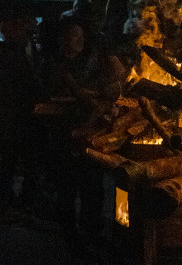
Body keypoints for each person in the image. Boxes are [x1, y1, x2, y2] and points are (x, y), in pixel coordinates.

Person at [40, 19, 125, 250]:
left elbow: (106, 93)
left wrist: (96, 101)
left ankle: (93, 234)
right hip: (62, 135)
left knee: (92, 189)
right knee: (66, 189)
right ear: (60, 39)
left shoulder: (93, 64)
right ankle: (71, 238)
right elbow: (50, 94)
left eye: (78, 36)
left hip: (89, 135)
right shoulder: (52, 64)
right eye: (69, 36)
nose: (74, 41)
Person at [0, 13, 43, 217]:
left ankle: (26, 201)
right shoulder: (6, 52)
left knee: (29, 162)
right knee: (8, 161)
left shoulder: (33, 48)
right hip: (12, 116)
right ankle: (7, 203)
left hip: (29, 117)